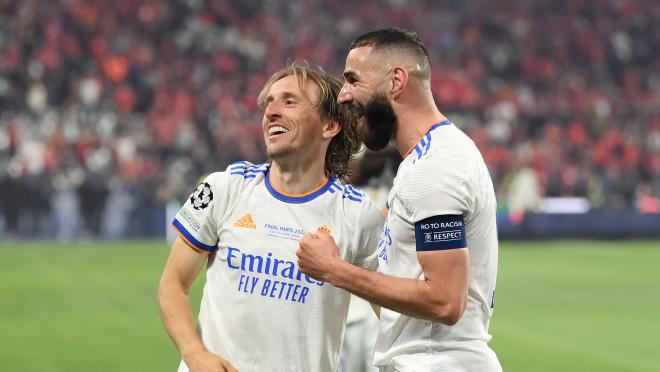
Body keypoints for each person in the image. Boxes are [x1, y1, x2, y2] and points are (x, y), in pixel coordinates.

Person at [297, 28, 502, 371]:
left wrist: (334, 270)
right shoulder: (422, 161)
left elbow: (445, 302)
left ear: (396, 81)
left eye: (352, 80)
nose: (343, 95)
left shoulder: (437, 167)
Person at [158, 63, 384, 372]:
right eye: (269, 102)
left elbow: (395, 314)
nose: (271, 112)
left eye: (290, 101)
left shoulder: (359, 216)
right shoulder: (223, 187)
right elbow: (173, 283)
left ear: (330, 126)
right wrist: (194, 353)